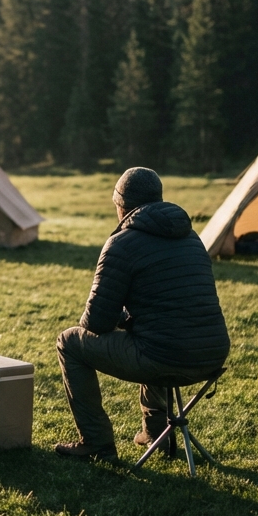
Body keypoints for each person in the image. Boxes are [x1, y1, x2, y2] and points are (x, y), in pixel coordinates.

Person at [54, 167, 229, 461]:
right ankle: (155, 433)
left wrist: (122, 317)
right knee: (154, 334)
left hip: (165, 356)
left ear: (121, 205)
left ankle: (96, 443)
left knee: (69, 342)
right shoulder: (192, 237)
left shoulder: (121, 243)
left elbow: (96, 323)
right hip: (212, 354)